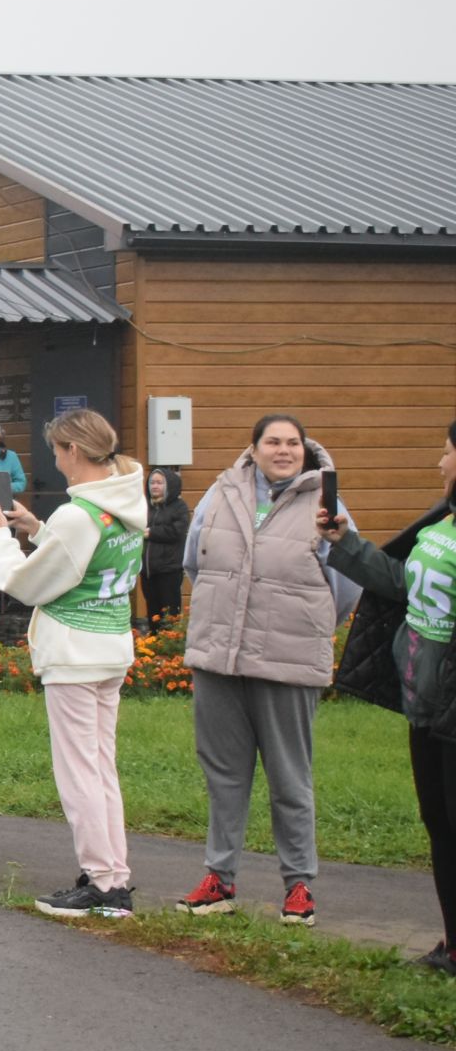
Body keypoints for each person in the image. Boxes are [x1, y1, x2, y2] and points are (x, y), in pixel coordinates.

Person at [176, 415, 358, 927]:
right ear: (253, 448)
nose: (283, 450)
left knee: (289, 779)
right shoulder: (221, 493)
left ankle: (299, 885)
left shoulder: (327, 503)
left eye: (292, 443)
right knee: (224, 774)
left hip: (287, 661)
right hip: (219, 659)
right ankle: (219, 879)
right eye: (273, 442)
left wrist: (302, 623)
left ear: (305, 450)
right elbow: (198, 563)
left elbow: (346, 585)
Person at [0, 409, 148, 915]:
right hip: (110, 645)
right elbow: (82, 558)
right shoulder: (124, 496)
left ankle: (102, 885)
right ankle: (113, 873)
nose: (55, 461)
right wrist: (38, 529)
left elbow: (28, 584)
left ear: (73, 451)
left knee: (79, 772)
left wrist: (1, 536)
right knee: (101, 767)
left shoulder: (78, 514)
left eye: (57, 451)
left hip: (74, 651)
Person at [326, 422, 456, 974]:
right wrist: (345, 545)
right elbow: (404, 584)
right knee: (440, 824)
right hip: (425, 701)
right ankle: (452, 946)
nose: (440, 462)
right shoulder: (444, 519)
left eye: (447, 451)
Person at [140, 467, 189, 627]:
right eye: (152, 482)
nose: (154, 486)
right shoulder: (145, 507)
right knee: (152, 614)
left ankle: (171, 648)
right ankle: (152, 647)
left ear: (169, 485)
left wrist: (151, 533)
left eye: (159, 483)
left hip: (169, 570)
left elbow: (178, 531)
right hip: (148, 571)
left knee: (170, 616)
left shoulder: (179, 506)